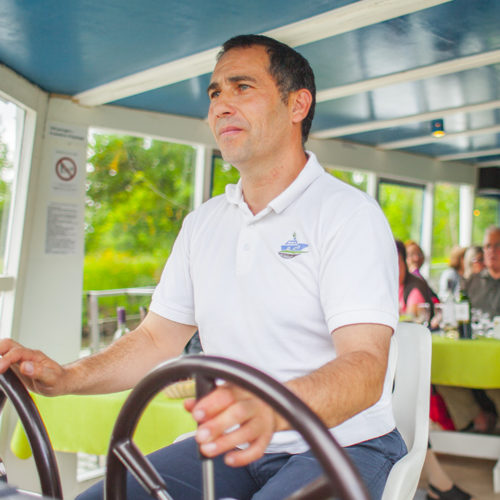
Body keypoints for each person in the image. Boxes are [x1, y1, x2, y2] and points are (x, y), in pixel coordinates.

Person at [0, 35, 406, 500]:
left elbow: (366, 367)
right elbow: (155, 339)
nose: (221, 106)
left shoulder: (347, 214)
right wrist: (68, 377)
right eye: (215, 93)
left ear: (297, 104)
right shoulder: (204, 223)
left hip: (342, 443)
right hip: (232, 444)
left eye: (242, 88)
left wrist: (273, 410)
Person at [396, 242, 474, 500]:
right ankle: (438, 482)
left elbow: (412, 319)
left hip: (400, 360)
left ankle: (436, 482)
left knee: (405, 399)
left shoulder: (413, 289)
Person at [436, 226, 500, 433]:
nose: (491, 251)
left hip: (493, 359)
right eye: (488, 246)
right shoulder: (473, 281)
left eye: (497, 246)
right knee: (440, 366)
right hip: (472, 353)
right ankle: (476, 419)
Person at [397, 240, 435, 320]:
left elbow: (409, 321)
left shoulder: (415, 286)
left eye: (419, 254)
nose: (416, 258)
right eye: (411, 255)